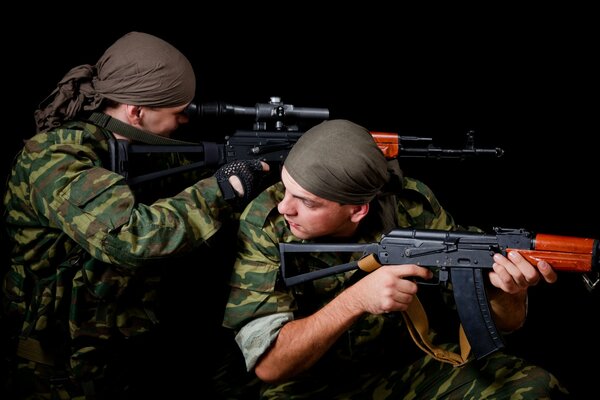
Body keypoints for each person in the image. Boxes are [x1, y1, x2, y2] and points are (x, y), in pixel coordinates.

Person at [222, 119, 571, 398]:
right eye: (286, 189)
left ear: (358, 209)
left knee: (532, 387)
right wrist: (356, 300)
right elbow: (270, 366)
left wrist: (507, 291)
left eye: (307, 201)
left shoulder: (410, 206)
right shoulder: (266, 222)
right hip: (307, 384)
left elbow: (506, 322)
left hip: (403, 366)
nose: (285, 207)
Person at [1, 31, 265, 399]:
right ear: (136, 112)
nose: (185, 121)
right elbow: (132, 237)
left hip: (124, 358)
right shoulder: (54, 159)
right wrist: (222, 188)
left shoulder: (146, 151)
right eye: (178, 112)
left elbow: (188, 196)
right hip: (60, 371)